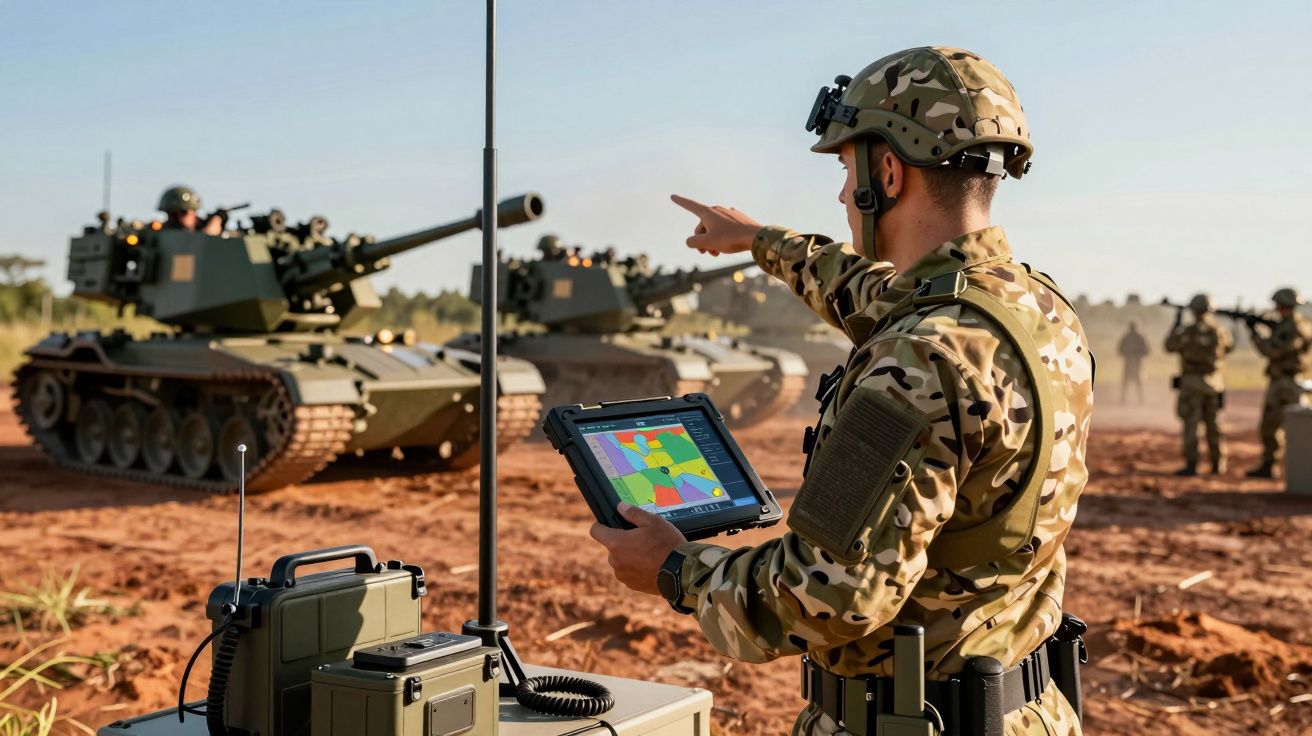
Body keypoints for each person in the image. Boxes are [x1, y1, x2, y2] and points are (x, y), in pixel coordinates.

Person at [589, 47, 1090, 735]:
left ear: (886, 170)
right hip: (1025, 710)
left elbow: (829, 594)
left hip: (907, 720)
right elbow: (872, 293)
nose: (838, 192)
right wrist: (759, 239)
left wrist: (676, 568)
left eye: (843, 167)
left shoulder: (916, 360)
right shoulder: (1036, 310)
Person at [1163, 294, 1233, 476]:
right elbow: (1230, 347)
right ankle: (1218, 464)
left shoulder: (1188, 331)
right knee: (1214, 424)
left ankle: (1192, 465)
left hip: (1192, 384)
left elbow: (1169, 346)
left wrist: (1176, 324)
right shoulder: (1220, 331)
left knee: (1191, 425)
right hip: (1215, 383)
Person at [1246, 287, 1312, 478]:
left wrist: (1255, 334)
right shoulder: (1299, 325)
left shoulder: (1292, 328)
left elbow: (1273, 351)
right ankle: (1276, 466)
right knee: (1284, 427)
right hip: (1293, 381)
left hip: (1286, 383)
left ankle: (1290, 468)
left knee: (1285, 427)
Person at [157, 185, 223, 235]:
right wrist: (214, 224)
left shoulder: (199, 226)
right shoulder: (161, 233)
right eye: (184, 212)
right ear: (172, 215)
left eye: (194, 211)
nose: (191, 215)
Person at [1117, 321, 1150, 404]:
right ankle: (1124, 400)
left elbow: (1146, 351)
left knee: (1136, 383)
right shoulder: (1136, 338)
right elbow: (1120, 350)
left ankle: (1139, 400)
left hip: (1136, 364)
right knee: (1128, 383)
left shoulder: (1132, 338)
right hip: (1131, 363)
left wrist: (1136, 355)